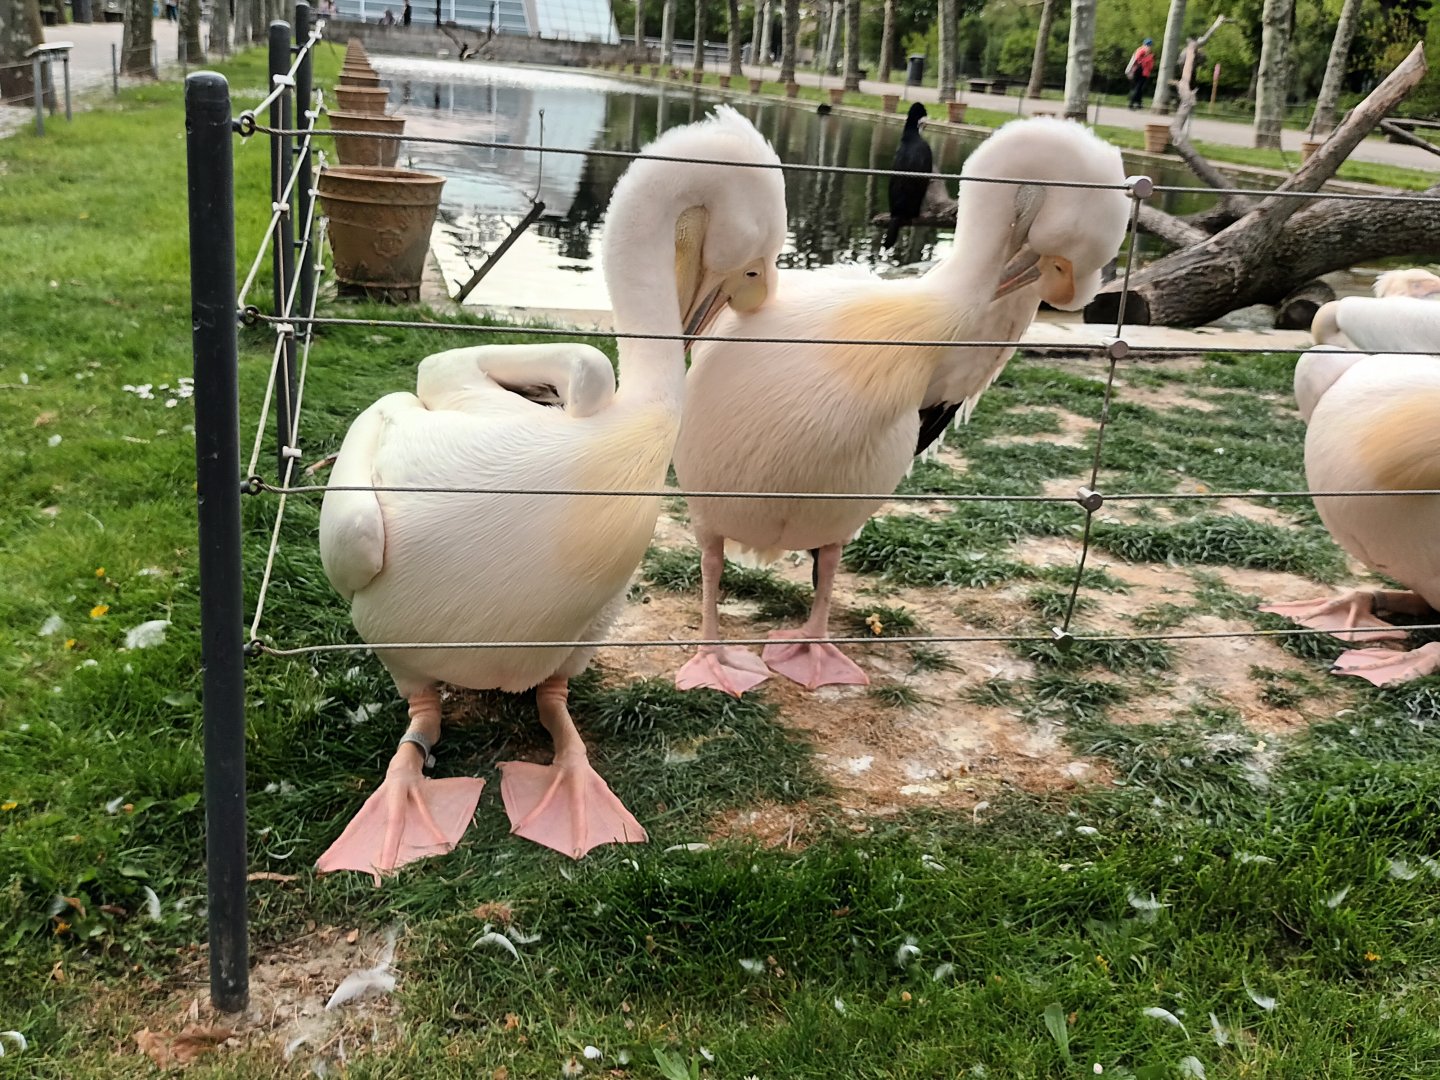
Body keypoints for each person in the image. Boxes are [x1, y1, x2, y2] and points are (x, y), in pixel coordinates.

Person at [1126, 37, 1155, 110]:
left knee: (1140, 89)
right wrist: (1148, 57)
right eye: (1148, 45)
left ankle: (1139, 104)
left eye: (1150, 45)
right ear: (1144, 45)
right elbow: (1138, 60)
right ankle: (1131, 104)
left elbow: (1149, 64)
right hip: (1139, 71)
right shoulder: (1141, 51)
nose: (1149, 47)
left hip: (1144, 72)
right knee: (1137, 88)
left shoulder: (1147, 52)